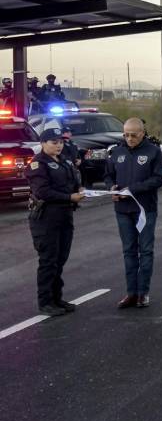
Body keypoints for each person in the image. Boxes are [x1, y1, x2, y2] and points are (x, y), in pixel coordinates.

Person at [105, 118, 162, 309]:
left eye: (134, 135)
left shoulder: (153, 152)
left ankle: (143, 293)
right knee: (128, 251)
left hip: (145, 209)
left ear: (142, 132)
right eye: (126, 135)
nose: (129, 138)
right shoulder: (117, 151)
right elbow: (108, 175)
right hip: (123, 210)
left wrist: (132, 189)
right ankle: (131, 293)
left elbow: (157, 179)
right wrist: (112, 188)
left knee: (145, 251)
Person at [26, 127, 85, 316]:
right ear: (43, 144)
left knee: (60, 259)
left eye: (60, 142)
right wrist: (70, 197)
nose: (58, 145)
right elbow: (43, 192)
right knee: (48, 260)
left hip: (64, 216)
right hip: (46, 218)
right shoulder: (38, 164)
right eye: (54, 142)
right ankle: (45, 302)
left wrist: (80, 189)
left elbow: (72, 182)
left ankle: (57, 298)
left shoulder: (65, 161)